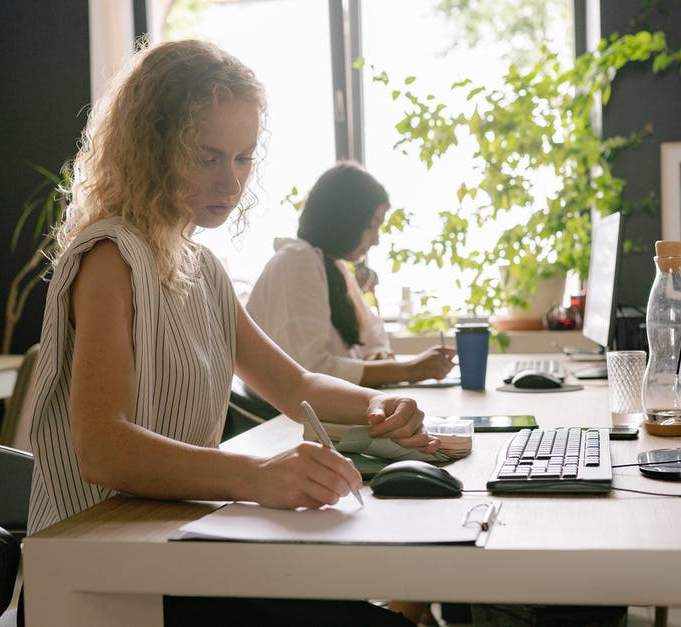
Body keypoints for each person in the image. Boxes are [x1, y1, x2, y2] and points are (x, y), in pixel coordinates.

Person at [25, 38, 433, 626]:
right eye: (207, 156)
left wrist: (380, 404)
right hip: (101, 579)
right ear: (150, 150)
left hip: (173, 548)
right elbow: (102, 450)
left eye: (243, 158)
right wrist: (257, 477)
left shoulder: (202, 267)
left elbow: (293, 383)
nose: (231, 181)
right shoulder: (109, 257)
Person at [246, 162, 456, 387]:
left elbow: (372, 342)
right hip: (289, 418)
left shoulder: (333, 267)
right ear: (346, 220)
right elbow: (310, 370)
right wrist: (408, 370)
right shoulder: (298, 261)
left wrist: (378, 358)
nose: (376, 239)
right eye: (373, 226)